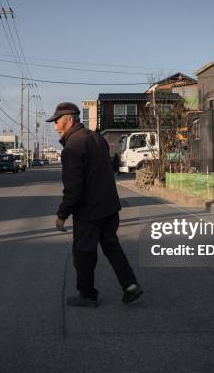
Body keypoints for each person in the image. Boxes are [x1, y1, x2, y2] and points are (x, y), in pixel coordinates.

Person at [46, 102, 143, 307]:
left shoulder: (72, 147)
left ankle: (87, 295)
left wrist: (62, 215)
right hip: (109, 206)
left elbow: (73, 188)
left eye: (57, 121)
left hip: (90, 211)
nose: (55, 126)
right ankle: (130, 285)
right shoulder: (96, 138)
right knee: (112, 246)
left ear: (69, 120)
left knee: (83, 252)